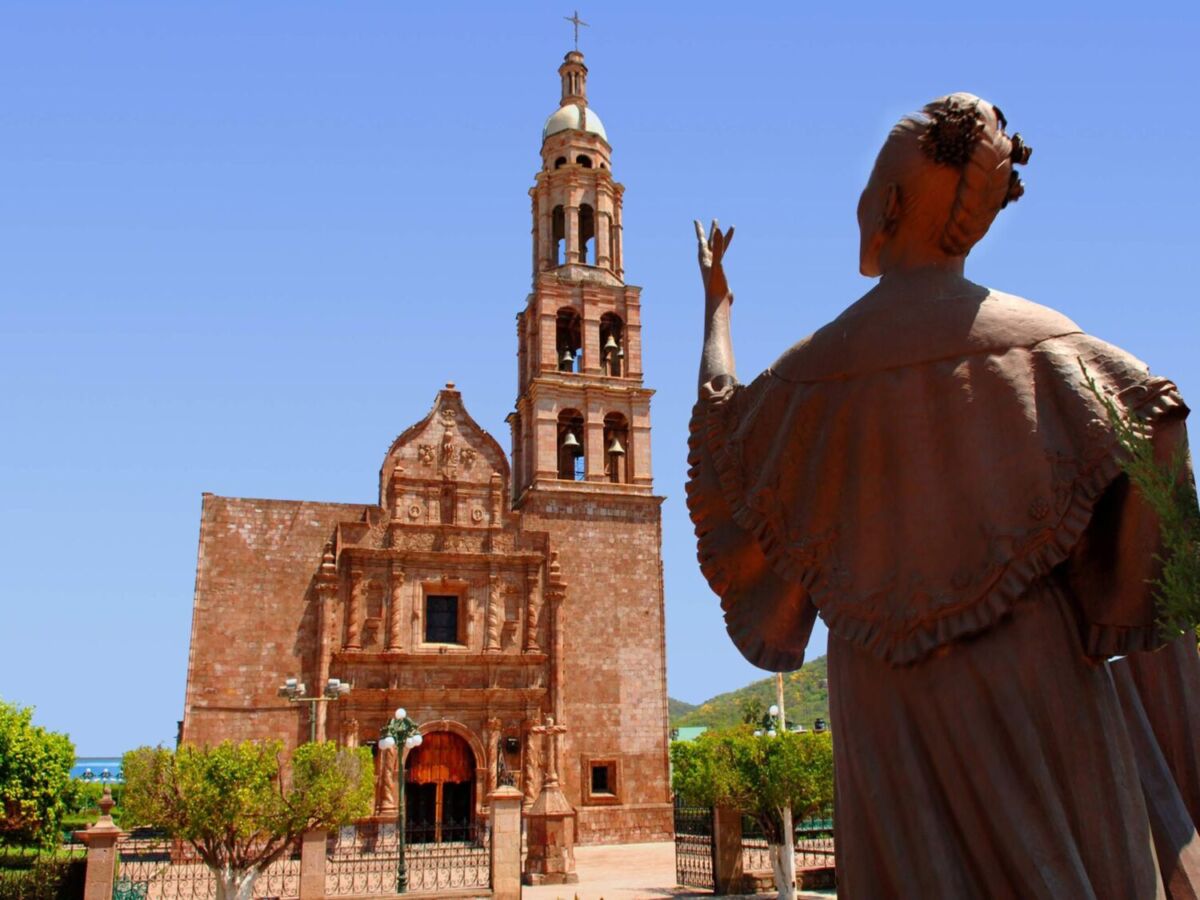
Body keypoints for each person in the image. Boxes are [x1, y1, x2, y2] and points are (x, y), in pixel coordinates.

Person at [688, 93, 1196, 898]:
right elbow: (1158, 431)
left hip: (882, 694)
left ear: (888, 206)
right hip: (1037, 678)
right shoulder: (1055, 347)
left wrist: (717, 312)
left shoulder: (808, 377)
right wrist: (1107, 601)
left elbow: (723, 426)